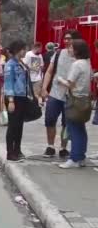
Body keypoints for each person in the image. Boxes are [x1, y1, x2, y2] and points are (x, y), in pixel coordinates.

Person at [41, 30, 82, 159]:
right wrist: (44, 88)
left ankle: (63, 148)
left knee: (67, 123)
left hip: (71, 96)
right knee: (50, 120)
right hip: (55, 93)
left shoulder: (80, 56)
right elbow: (49, 71)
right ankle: (50, 146)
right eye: (65, 39)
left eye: (69, 39)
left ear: (75, 40)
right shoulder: (58, 54)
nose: (66, 41)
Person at [57, 39, 92, 169]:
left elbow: (70, 83)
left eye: (71, 47)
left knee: (74, 129)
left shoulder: (76, 64)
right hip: (84, 100)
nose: (69, 49)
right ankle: (81, 156)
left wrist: (60, 79)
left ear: (76, 50)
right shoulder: (87, 63)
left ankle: (74, 158)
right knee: (81, 129)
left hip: (74, 100)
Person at [4, 41, 30, 162]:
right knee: (13, 125)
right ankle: (10, 152)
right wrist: (11, 100)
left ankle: (17, 150)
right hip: (13, 97)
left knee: (19, 126)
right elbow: (9, 82)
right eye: (23, 49)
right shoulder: (10, 65)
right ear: (17, 50)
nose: (25, 51)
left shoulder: (21, 63)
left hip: (22, 97)